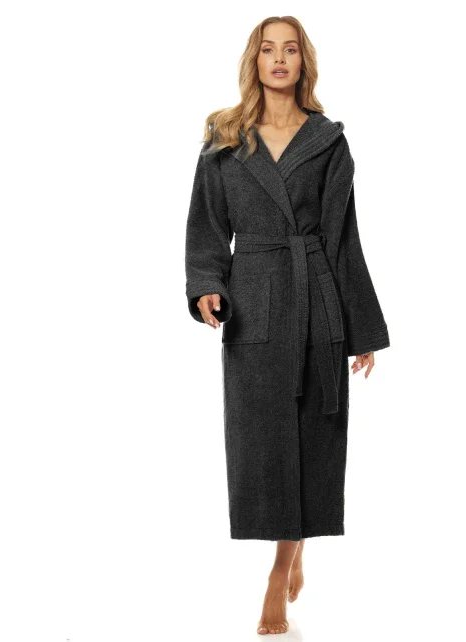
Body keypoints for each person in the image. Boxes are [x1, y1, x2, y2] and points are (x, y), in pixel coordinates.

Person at [184, 16, 391, 636]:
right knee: (264, 440)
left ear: (304, 62)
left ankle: (280, 571)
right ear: (255, 60)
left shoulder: (328, 141)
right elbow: (207, 224)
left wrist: (360, 328)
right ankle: (288, 548)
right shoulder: (225, 137)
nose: (279, 59)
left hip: (317, 300)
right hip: (253, 304)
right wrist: (208, 284)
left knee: (312, 437)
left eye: (290, 49)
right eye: (268, 49)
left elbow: (343, 239)